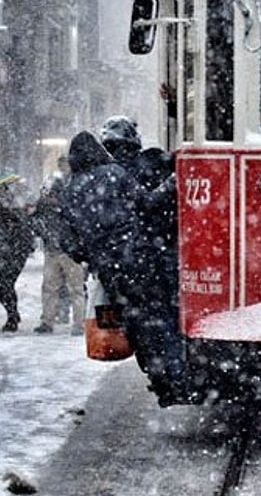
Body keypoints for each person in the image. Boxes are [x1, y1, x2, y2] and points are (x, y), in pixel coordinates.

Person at [61, 129, 186, 405]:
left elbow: (69, 244)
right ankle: (177, 380)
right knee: (163, 319)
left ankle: (159, 378)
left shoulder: (69, 192)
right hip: (141, 260)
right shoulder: (114, 175)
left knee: (138, 325)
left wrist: (95, 255)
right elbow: (149, 203)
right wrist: (174, 182)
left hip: (111, 272)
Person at [32, 157, 86, 336]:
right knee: (66, 289)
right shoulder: (74, 188)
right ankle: (67, 323)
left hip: (65, 249)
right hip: (64, 248)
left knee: (66, 289)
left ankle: (69, 323)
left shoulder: (72, 188)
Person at [0, 177, 35, 332]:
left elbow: (18, 224)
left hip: (15, 248)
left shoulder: (12, 203)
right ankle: (12, 312)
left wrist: (3, 213)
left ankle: (12, 316)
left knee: (6, 283)